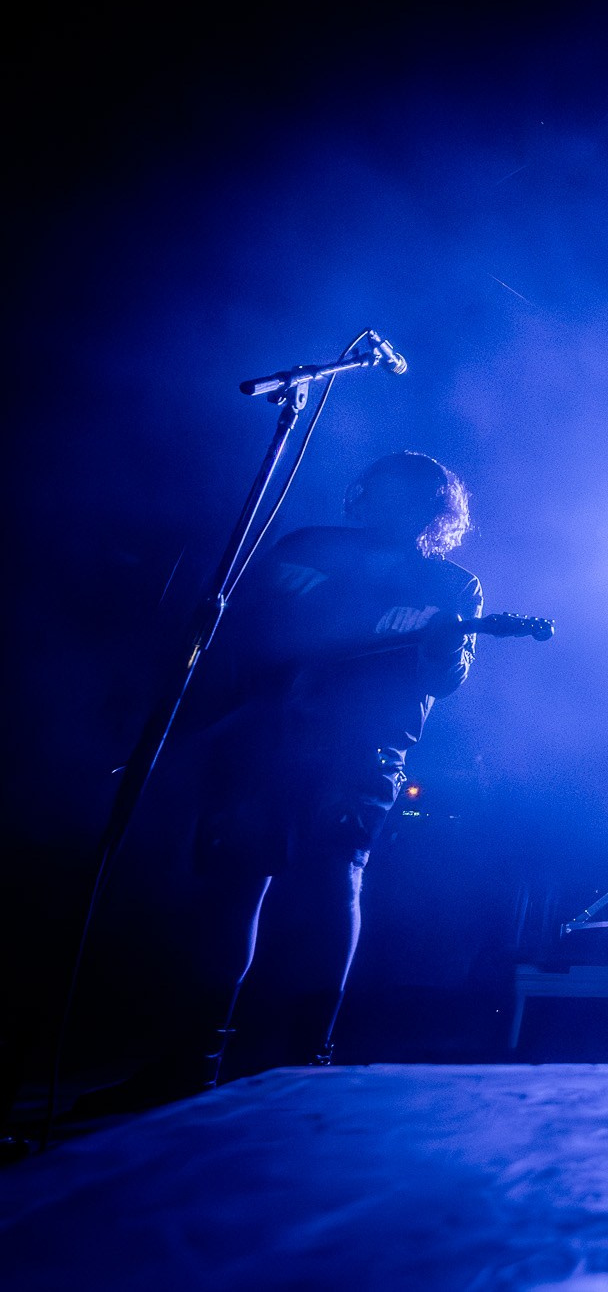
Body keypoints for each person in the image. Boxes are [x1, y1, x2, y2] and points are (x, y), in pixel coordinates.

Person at [80, 451, 482, 1110]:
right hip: (263, 732)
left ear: (431, 509)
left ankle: (308, 1060)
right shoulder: (308, 544)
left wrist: (440, 645)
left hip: (360, 751)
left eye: (401, 493)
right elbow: (244, 627)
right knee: (232, 884)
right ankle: (191, 1059)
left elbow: (444, 680)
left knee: (332, 878)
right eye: (376, 487)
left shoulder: (453, 585)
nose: (381, 499)